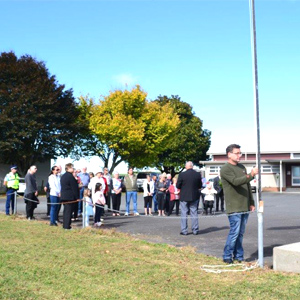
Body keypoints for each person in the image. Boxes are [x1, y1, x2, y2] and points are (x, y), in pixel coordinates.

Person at [221, 144, 258, 264]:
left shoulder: (242, 167)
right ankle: (227, 255)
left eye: (240, 153)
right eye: (237, 153)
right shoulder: (225, 169)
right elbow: (236, 182)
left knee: (240, 233)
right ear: (229, 154)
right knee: (234, 232)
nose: (239, 155)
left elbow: (247, 185)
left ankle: (239, 256)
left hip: (245, 205)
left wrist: (251, 202)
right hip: (234, 207)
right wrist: (251, 175)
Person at [176, 161, 202, 235]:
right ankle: (195, 230)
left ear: (186, 166)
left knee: (184, 213)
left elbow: (178, 186)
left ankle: (184, 230)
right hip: (194, 196)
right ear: (192, 166)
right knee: (194, 213)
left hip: (184, 196)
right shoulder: (197, 174)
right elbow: (200, 185)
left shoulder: (182, 174)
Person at [60, 163, 80, 230]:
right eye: (72, 168)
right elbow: (74, 188)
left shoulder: (63, 176)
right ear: (68, 168)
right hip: (69, 197)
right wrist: (77, 197)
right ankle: (67, 226)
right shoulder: (70, 177)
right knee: (68, 212)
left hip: (64, 196)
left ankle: (65, 225)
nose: (73, 169)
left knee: (66, 211)